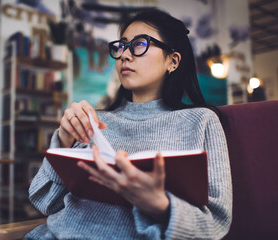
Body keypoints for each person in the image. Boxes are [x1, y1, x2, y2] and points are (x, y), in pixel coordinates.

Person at [25, 8, 232, 240]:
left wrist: (160, 206)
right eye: (122, 46)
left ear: (172, 61)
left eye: (140, 44)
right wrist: (64, 140)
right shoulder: (96, 122)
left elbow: (216, 222)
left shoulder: (201, 121)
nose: (124, 54)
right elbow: (45, 202)